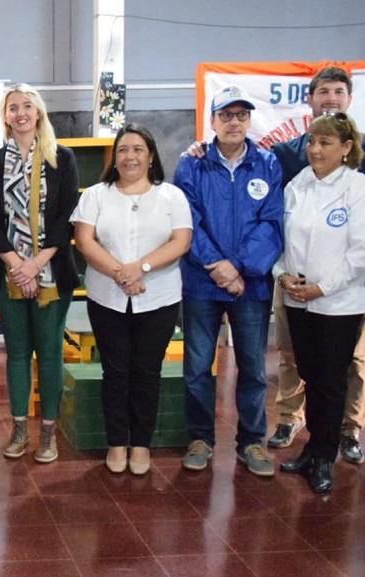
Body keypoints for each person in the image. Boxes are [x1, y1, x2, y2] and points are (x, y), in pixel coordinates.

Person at [174, 85, 284, 477]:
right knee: (198, 367)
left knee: (253, 368)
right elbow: (188, 221)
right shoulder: (192, 164)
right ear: (213, 120)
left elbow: (272, 223)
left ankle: (252, 441)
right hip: (203, 283)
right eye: (226, 114)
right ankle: (201, 438)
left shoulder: (268, 164)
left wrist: (240, 269)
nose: (234, 122)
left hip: (250, 286)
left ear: (249, 120)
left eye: (241, 115)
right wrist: (217, 265)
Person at [71, 124, 192, 474]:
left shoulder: (172, 196)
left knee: (147, 372)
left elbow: (180, 242)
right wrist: (120, 273)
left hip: (159, 298)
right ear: (115, 156)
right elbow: (86, 241)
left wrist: (141, 268)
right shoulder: (95, 194)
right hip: (107, 297)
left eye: (138, 149)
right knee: (115, 371)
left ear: (151, 155)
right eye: (123, 149)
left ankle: (140, 444)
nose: (130, 156)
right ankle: (116, 443)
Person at [0, 83, 80, 463]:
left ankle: (49, 434)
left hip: (53, 271)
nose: (20, 113)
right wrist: (16, 264)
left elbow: (67, 216)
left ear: (38, 112)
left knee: (50, 354)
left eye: (26, 106)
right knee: (17, 355)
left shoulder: (62, 159)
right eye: (12, 107)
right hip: (9, 275)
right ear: (5, 116)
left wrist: (36, 264)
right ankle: (20, 429)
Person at [269, 68, 365, 464]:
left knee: (333, 377)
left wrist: (322, 288)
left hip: (339, 301)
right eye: (312, 141)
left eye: (325, 143)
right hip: (297, 297)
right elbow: (281, 236)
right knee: (308, 368)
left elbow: (359, 253)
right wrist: (282, 274)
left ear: (345, 148)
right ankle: (311, 447)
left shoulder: (357, 187)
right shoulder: (297, 184)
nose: (315, 149)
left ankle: (326, 453)